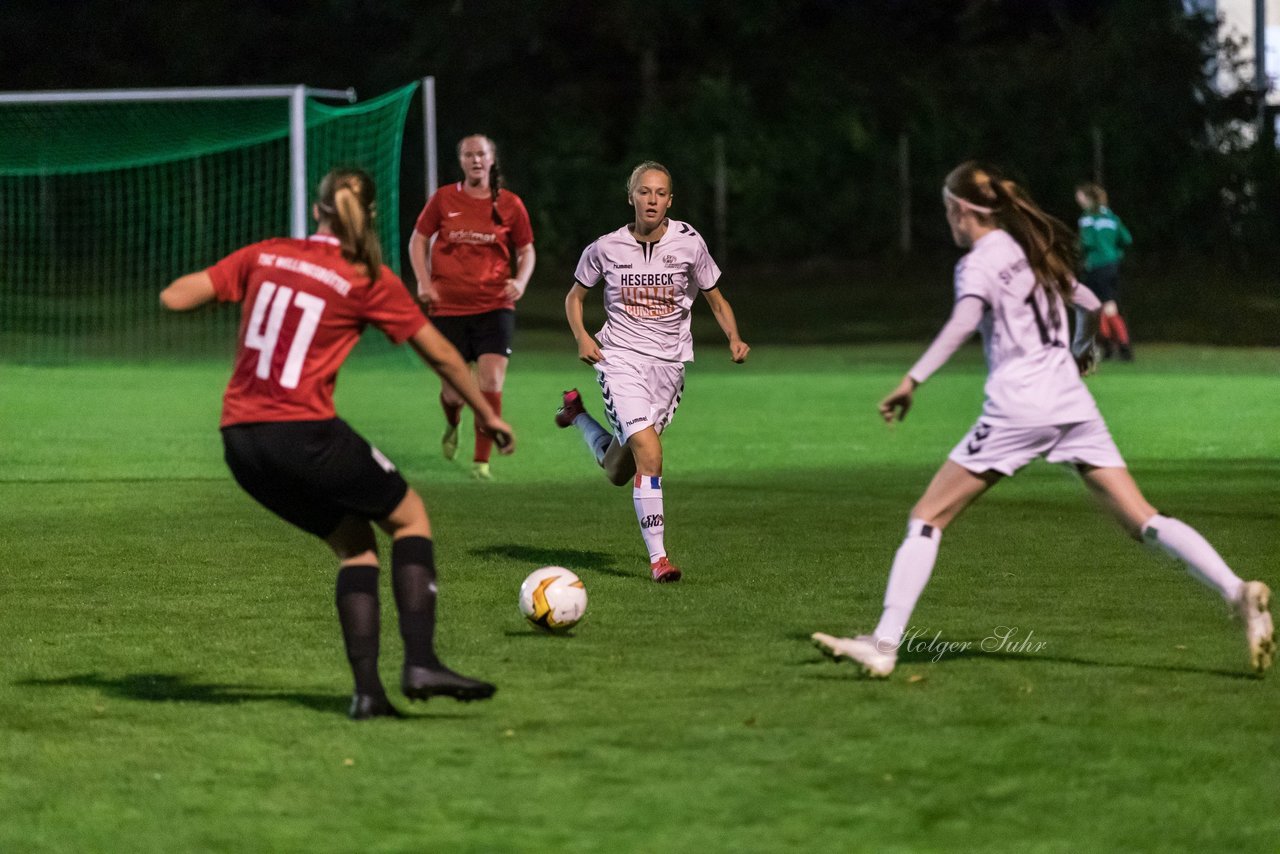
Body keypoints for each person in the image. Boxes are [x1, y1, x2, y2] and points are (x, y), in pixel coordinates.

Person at [812, 161, 1273, 678]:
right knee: (1142, 518)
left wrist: (912, 380)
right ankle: (1238, 593)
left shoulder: (980, 262)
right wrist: (1078, 352)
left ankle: (883, 644)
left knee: (926, 518)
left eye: (947, 211)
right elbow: (1093, 303)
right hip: (1070, 402)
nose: (948, 221)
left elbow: (964, 321)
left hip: (1018, 407)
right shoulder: (1031, 249)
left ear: (964, 211)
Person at [160, 168, 516, 719]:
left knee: (356, 544)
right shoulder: (364, 275)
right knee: (411, 518)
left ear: (315, 210)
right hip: (302, 431)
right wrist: (486, 414)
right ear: (369, 216)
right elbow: (442, 354)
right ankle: (421, 662)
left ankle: (368, 695)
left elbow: (176, 298)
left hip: (240, 442)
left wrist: (243, 286)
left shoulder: (267, 254)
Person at [555, 161, 750, 583]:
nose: (652, 200)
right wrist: (582, 337)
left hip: (668, 368)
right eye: (645, 191)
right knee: (651, 453)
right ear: (631, 196)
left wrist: (734, 337)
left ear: (670, 201)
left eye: (660, 193)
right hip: (619, 359)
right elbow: (574, 298)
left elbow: (716, 299)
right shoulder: (605, 247)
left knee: (618, 470)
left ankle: (576, 415)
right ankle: (660, 559)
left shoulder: (689, 242)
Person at [408, 134, 535, 480]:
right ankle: (452, 423)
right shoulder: (444, 199)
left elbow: (526, 250)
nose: (476, 160)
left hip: (495, 306)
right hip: (447, 308)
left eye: (481, 154)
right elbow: (418, 239)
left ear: (492, 159)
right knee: (453, 391)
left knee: (491, 379)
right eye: (469, 155)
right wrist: (423, 281)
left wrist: (520, 281)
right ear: (461, 161)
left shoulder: (510, 204)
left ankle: (481, 462)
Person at [1075, 181, 1134, 361]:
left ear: (1087, 199)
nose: (1078, 200)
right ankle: (1119, 348)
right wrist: (1116, 253)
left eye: (1080, 197)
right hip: (1112, 266)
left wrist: (1076, 247)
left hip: (1096, 266)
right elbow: (1127, 239)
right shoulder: (1112, 217)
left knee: (1098, 307)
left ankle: (1113, 345)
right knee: (1108, 306)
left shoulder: (1087, 219)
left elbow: (1087, 243)